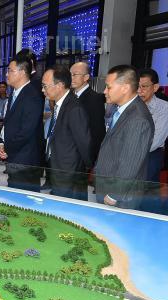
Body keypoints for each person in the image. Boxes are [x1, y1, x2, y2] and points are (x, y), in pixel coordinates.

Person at [94, 65, 155, 209]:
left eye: (109, 87)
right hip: (108, 186)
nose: (104, 91)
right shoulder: (121, 109)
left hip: (120, 196)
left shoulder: (138, 119)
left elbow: (130, 162)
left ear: (125, 88)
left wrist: (114, 194)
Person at [41, 65, 92, 201]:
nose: (43, 90)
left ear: (59, 86)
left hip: (69, 175)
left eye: (45, 86)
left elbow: (84, 144)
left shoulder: (74, 108)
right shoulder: (60, 105)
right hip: (58, 170)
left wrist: (82, 170)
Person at [0, 56, 45, 192]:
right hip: (15, 157)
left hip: (26, 161)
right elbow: (8, 123)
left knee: (24, 198)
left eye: (10, 70)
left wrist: (7, 147)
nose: (7, 74)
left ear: (22, 72)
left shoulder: (32, 96)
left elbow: (26, 131)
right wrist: (1, 142)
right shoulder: (14, 94)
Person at [70, 61, 106, 166]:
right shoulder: (70, 96)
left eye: (75, 74)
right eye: (70, 74)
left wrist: (90, 160)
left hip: (82, 157)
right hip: (69, 154)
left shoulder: (95, 99)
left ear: (86, 77)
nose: (71, 78)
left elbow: (97, 131)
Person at [137, 68, 168, 182]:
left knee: (146, 189)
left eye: (144, 86)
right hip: (127, 154)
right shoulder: (130, 104)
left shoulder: (164, 107)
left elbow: (156, 140)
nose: (139, 91)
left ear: (155, 87)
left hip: (150, 155)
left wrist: (131, 150)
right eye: (137, 86)